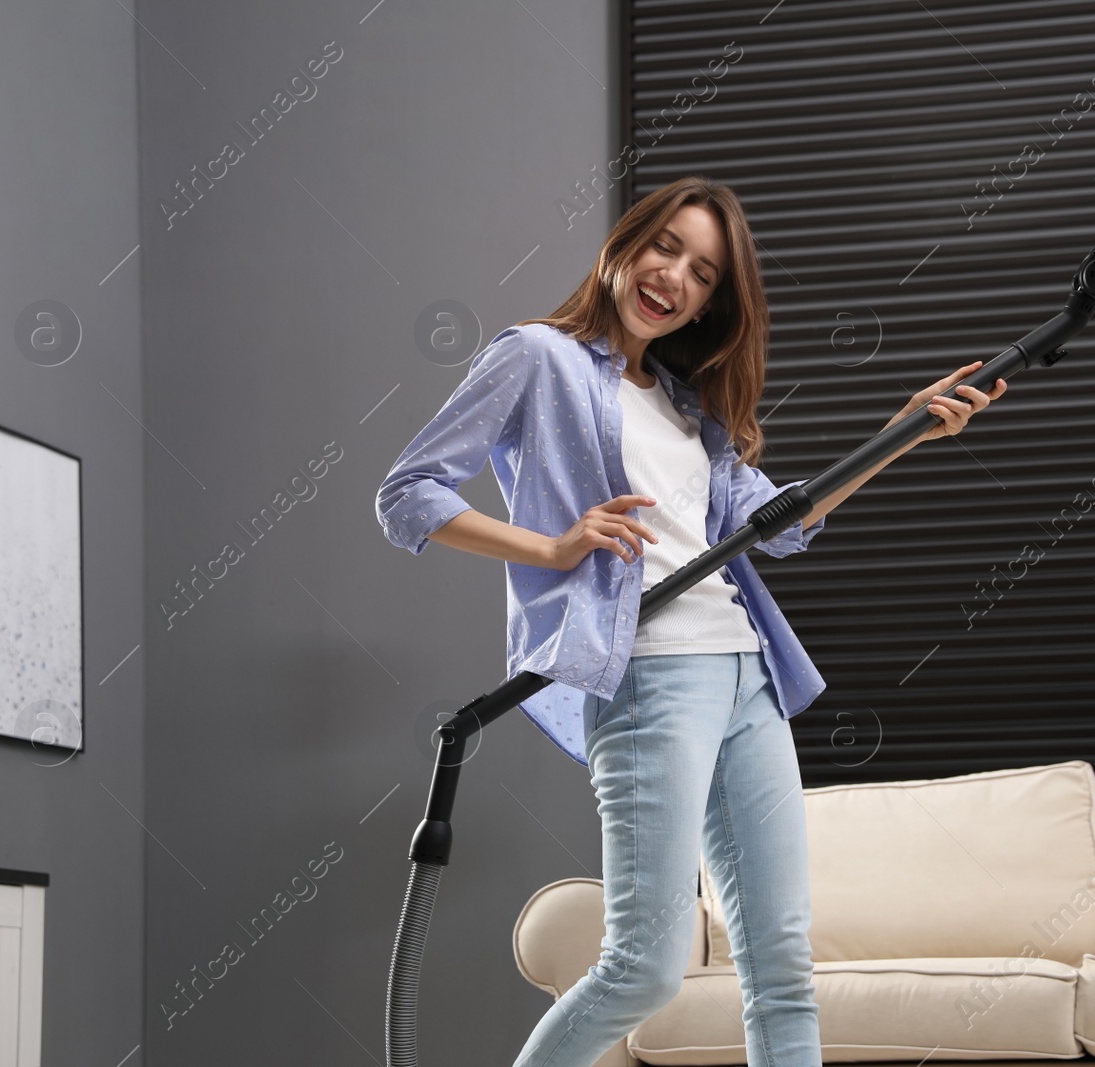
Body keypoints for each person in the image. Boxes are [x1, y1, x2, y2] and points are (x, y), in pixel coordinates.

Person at [377, 175, 1004, 1067]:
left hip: (748, 673)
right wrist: (552, 548)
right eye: (666, 247)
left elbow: (784, 526)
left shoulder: (686, 404)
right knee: (642, 967)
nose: (674, 277)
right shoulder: (536, 357)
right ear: (625, 244)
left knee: (783, 966)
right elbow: (407, 494)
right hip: (650, 676)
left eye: (704, 272)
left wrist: (904, 429)